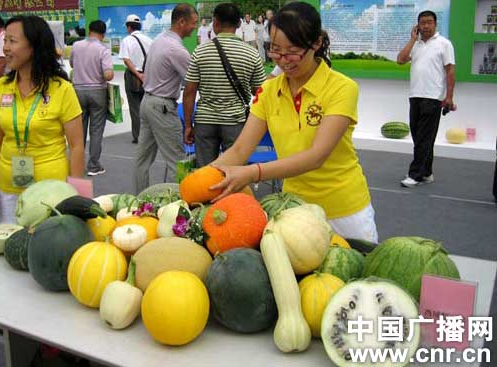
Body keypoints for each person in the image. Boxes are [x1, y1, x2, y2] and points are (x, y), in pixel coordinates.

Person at [209, 2, 378, 242]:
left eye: (292, 51)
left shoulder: (342, 88)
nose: (283, 60)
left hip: (344, 211)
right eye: (276, 50)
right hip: (294, 212)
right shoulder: (268, 90)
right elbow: (239, 150)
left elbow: (316, 156)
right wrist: (201, 180)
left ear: (316, 42)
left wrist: (252, 172)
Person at [0, 15, 84, 223]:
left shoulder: (61, 89)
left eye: (13, 41)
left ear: (34, 46)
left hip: (52, 192)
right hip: (9, 191)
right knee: (13, 249)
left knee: (47, 252)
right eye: (5, 41)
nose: (6, 48)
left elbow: (76, 147)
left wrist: (76, 196)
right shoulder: (1, 88)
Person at [183, 2, 266, 167]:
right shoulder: (251, 53)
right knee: (234, 174)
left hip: (205, 122)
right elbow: (261, 92)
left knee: (205, 174)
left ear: (215, 22)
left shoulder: (200, 51)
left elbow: (189, 91)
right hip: (235, 122)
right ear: (238, 24)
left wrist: (187, 125)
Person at [134, 3, 198, 193]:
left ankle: (139, 200)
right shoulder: (176, 50)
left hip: (147, 102)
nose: (195, 27)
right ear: (181, 22)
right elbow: (195, 80)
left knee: (142, 160)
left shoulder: (160, 39)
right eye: (193, 23)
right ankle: (180, 205)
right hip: (162, 107)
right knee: (178, 160)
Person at [397, 10, 456, 188]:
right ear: (417, 25)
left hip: (433, 97)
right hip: (415, 95)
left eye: (429, 22)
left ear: (435, 24)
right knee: (419, 137)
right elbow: (400, 60)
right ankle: (427, 173)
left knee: (423, 138)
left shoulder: (444, 44)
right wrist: (413, 39)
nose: (426, 26)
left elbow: (450, 71)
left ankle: (415, 174)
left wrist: (449, 97)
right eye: (423, 23)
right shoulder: (415, 45)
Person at [70, 20, 114, 176]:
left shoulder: (76, 46)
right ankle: (94, 166)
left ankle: (77, 165)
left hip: (77, 92)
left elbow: (72, 64)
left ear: (89, 30)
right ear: (103, 34)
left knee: (78, 130)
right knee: (96, 130)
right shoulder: (103, 49)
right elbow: (108, 75)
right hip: (97, 92)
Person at [119, 14, 153, 145]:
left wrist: (138, 75)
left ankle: (138, 136)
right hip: (147, 77)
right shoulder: (149, 40)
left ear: (129, 27)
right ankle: (149, 136)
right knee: (147, 107)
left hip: (133, 77)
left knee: (135, 108)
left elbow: (126, 60)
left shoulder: (127, 40)